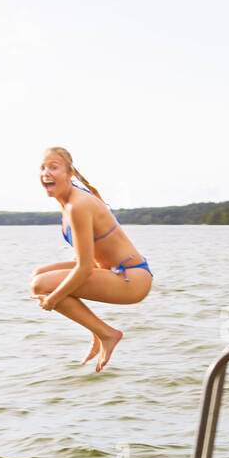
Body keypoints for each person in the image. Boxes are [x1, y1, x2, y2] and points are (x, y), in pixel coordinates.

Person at [30, 147, 153, 372]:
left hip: (132, 278)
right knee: (39, 275)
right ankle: (98, 331)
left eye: (53, 167)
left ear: (69, 173)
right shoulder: (68, 202)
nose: (46, 172)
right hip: (116, 271)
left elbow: (84, 268)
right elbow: (86, 260)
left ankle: (107, 334)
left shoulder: (77, 206)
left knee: (42, 286)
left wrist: (53, 300)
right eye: (43, 167)